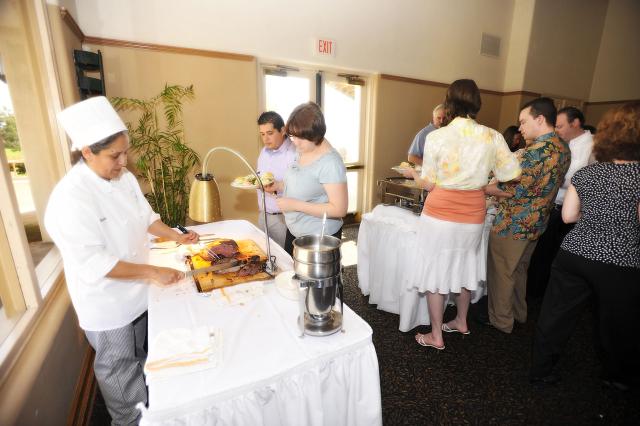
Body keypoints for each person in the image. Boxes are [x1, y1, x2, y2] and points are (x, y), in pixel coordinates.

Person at [45, 96, 198, 425]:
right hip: (107, 302)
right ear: (88, 152)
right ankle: (130, 420)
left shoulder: (123, 178)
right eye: (115, 155)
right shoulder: (70, 198)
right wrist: (153, 271)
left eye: (125, 152)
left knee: (138, 355)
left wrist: (175, 236)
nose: (124, 161)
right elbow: (96, 263)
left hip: (138, 291)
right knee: (119, 370)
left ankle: (147, 407)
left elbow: (146, 218)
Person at [403, 79, 521, 350]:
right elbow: (512, 174)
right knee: (465, 266)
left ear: (449, 103)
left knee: (436, 272)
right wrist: (481, 178)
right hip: (473, 214)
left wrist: (414, 175)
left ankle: (436, 335)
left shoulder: (437, 136)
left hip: (439, 213)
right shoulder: (492, 136)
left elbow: (428, 183)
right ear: (477, 103)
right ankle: (461, 321)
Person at [530, 101, 640, 390]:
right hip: (620, 259)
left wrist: (594, 218)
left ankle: (541, 369)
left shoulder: (588, 173)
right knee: (618, 321)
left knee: (555, 314)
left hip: (574, 252)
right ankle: (616, 376)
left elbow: (568, 216)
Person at [485, 97, 570, 334]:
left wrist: (481, 187)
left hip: (513, 222)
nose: (520, 128)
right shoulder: (563, 147)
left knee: (502, 272)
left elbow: (510, 189)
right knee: (519, 270)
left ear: (540, 119)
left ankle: (501, 321)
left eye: (523, 122)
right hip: (538, 221)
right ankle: (518, 313)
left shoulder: (536, 152)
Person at [527, 106, 594, 298]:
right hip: (552, 207)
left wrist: (553, 176)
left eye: (560, 126)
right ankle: (535, 296)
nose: (556, 130)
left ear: (576, 123)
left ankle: (548, 297)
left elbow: (577, 178)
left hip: (572, 213)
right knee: (541, 256)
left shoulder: (592, 146)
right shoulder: (560, 144)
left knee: (559, 260)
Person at [264, 102, 348, 255]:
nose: (295, 142)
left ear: (315, 134)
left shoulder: (331, 163)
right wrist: (279, 185)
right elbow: (305, 183)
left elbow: (339, 209)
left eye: (300, 138)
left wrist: (295, 205)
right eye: (292, 136)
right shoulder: (303, 148)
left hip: (318, 237)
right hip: (295, 231)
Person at [256, 111, 296, 248]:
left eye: (270, 133)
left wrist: (279, 185)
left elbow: (301, 187)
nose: (265, 139)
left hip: (283, 219)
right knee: (264, 255)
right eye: (262, 134)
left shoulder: (294, 153)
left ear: (283, 130)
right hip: (263, 216)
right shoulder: (264, 152)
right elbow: (260, 178)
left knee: (284, 257)